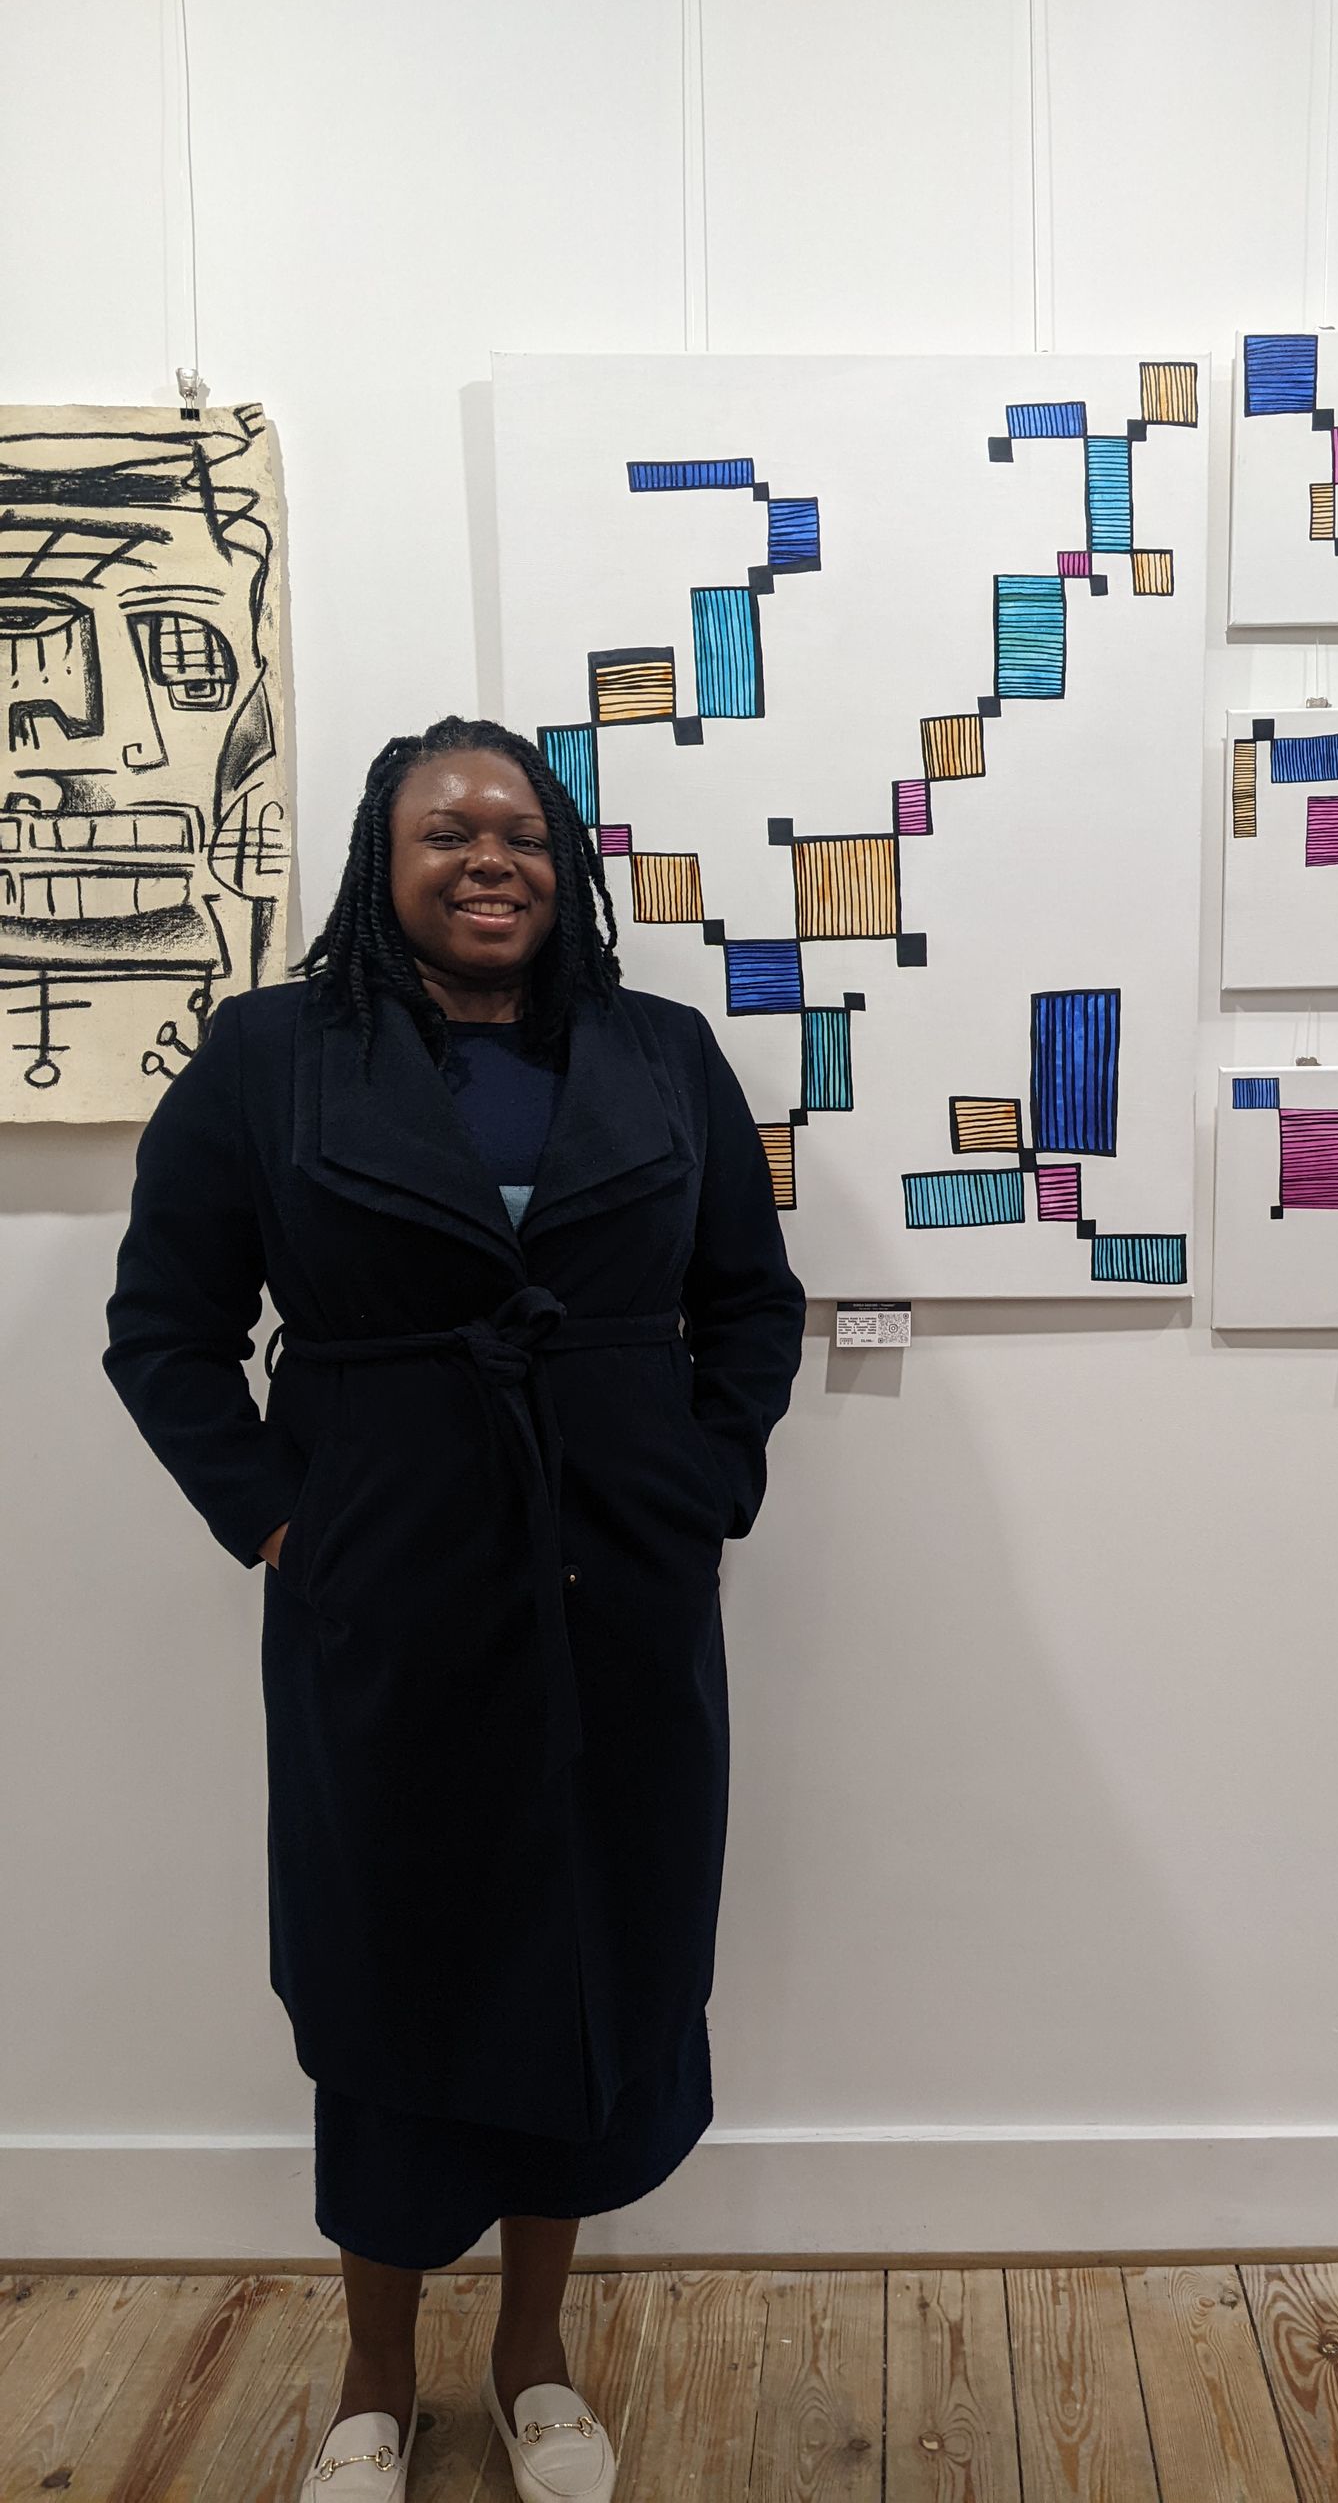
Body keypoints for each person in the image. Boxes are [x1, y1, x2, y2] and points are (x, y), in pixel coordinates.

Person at [102, 715, 807, 2502]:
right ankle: (373, 2373)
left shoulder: (660, 1052)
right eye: (447, 831)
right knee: (390, 1968)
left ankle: (534, 2356)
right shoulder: (274, 1058)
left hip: (625, 1591)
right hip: (387, 1597)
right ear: (383, 860)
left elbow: (749, 1300)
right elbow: (165, 1329)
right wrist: (283, 1522)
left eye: (524, 833)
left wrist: (705, 1485)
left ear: (566, 867)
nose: (490, 859)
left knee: (596, 1956)